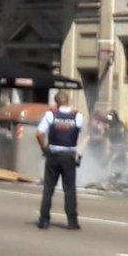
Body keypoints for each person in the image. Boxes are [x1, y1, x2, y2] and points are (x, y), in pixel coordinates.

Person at [36, 91, 84, 230]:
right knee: (69, 189)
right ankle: (72, 221)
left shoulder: (51, 115)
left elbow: (39, 134)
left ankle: (44, 220)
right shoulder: (78, 116)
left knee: (48, 188)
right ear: (68, 100)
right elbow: (86, 135)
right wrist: (79, 153)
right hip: (69, 155)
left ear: (56, 102)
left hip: (53, 155)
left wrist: (44, 148)